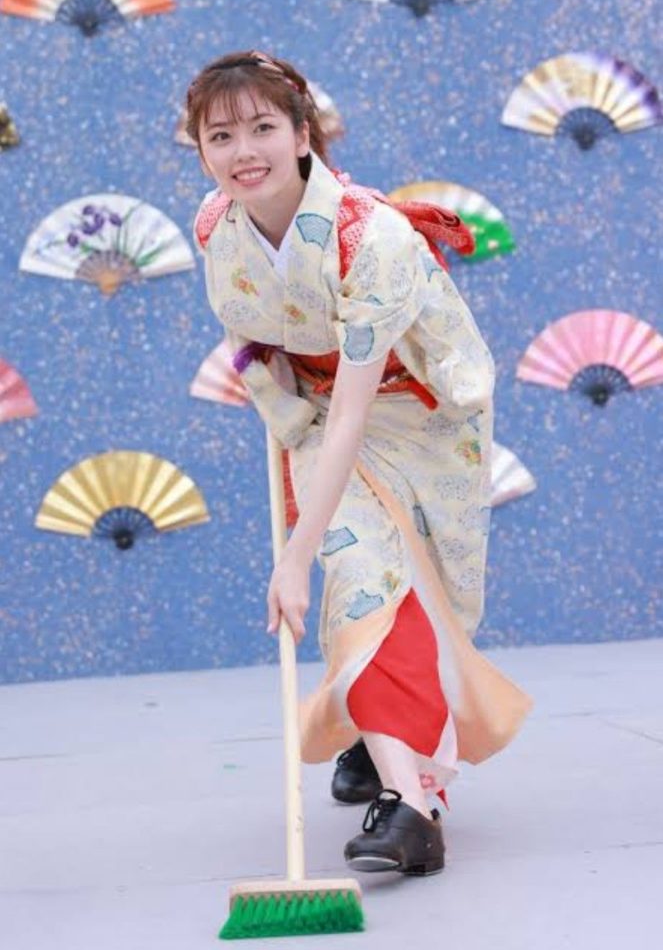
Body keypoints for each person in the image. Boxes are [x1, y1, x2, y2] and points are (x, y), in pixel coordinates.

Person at [187, 50, 532, 877]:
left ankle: (383, 741)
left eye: (263, 128)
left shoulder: (369, 235)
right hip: (317, 415)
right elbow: (254, 343)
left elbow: (357, 403)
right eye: (220, 135)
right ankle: (411, 807)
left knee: (424, 592)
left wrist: (292, 556)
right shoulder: (215, 228)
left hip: (420, 411)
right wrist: (282, 408)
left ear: (303, 134)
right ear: (198, 149)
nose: (244, 151)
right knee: (361, 578)